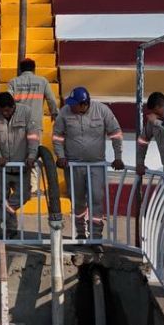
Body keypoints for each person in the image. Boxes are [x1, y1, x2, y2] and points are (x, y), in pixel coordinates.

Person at [52, 87, 124, 240]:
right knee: (77, 200)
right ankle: (80, 232)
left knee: (96, 198)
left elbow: (116, 134)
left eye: (74, 104)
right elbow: (57, 137)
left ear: (84, 104)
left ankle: (96, 236)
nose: (71, 106)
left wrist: (118, 157)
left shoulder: (103, 111)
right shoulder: (64, 112)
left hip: (96, 165)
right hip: (73, 165)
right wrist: (61, 156)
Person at [0, 92, 41, 238]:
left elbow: (33, 136)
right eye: (2, 110)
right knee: (1, 199)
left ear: (14, 106)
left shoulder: (26, 112)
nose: (5, 113)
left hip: (22, 165)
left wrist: (32, 156)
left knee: (25, 195)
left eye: (8, 110)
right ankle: (11, 228)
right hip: (1, 167)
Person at [135, 91, 164, 178]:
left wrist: (157, 122)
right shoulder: (153, 121)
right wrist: (140, 163)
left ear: (158, 107)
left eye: (156, 112)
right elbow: (143, 141)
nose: (154, 114)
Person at [7, 58, 59, 131]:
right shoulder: (42, 81)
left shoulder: (13, 82)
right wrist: (54, 114)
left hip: (18, 122)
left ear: (20, 69)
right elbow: (51, 100)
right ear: (34, 69)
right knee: (34, 142)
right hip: (35, 122)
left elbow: (8, 101)